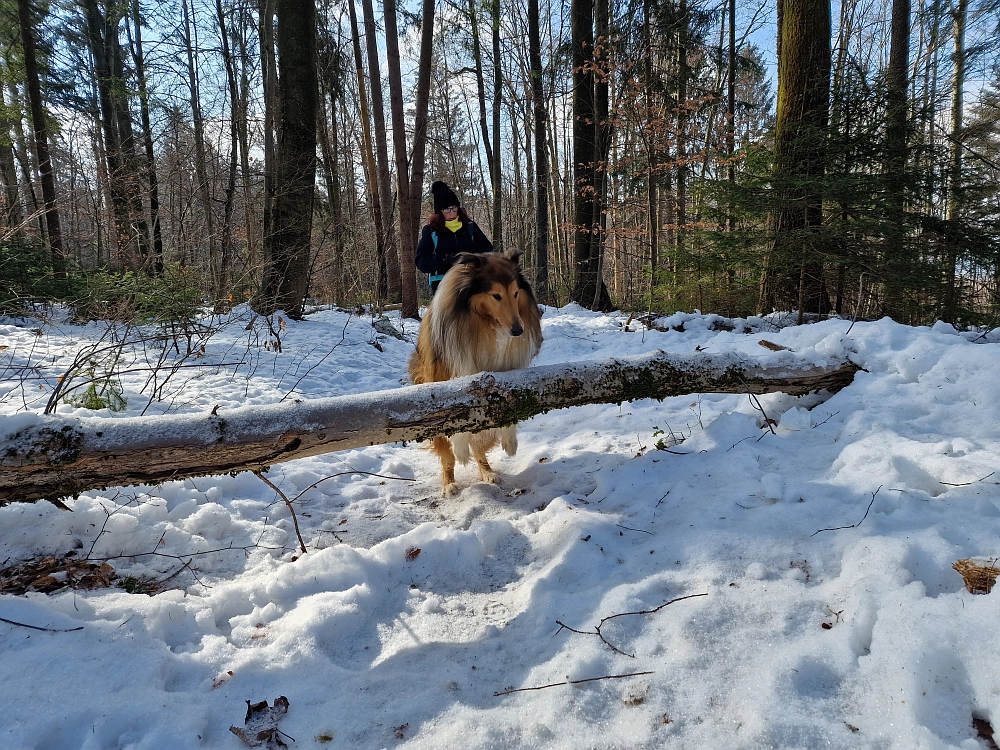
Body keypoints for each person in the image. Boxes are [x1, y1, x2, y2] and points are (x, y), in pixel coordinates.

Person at [415, 181, 493, 293]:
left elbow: (487, 250)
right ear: (439, 212)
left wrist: (472, 258)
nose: (452, 213)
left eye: (454, 208)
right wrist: (445, 259)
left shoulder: (470, 227)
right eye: (447, 210)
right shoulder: (431, 231)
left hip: (471, 282)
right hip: (443, 286)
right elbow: (421, 262)